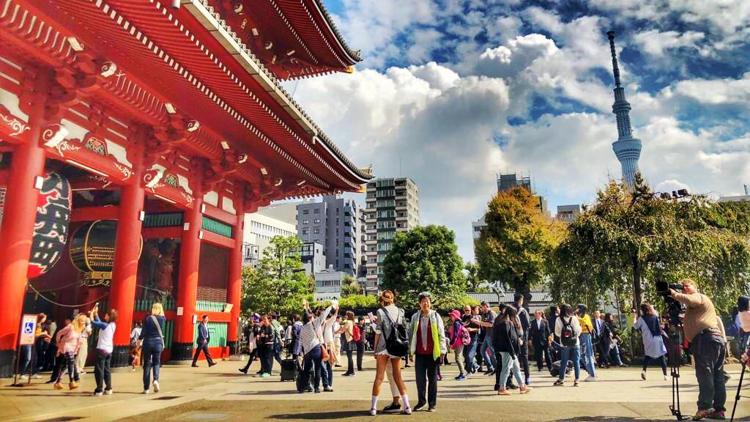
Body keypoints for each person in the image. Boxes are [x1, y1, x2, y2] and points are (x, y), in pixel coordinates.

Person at [670, 279, 727, 420]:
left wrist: (674, 294)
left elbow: (692, 300)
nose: (683, 288)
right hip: (713, 339)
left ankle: (705, 407)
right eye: (681, 287)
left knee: (705, 373)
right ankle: (718, 410)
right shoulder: (694, 306)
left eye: (686, 285)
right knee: (717, 376)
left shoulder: (698, 296)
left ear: (694, 287)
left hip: (705, 339)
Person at [369, 290, 411, 416]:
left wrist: (375, 349)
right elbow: (404, 329)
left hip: (383, 347)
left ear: (383, 300)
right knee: (398, 377)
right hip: (396, 346)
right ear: (393, 299)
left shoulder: (380, 312)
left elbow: (378, 332)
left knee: (379, 377)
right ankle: (407, 406)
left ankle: (373, 408)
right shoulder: (401, 311)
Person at [409, 292, 446, 412]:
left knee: (433, 380)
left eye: (427, 301)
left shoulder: (435, 316)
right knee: (420, 380)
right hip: (419, 354)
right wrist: (410, 351)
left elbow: (441, 334)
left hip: (433, 354)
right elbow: (411, 335)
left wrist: (442, 351)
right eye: (423, 301)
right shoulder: (415, 317)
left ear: (430, 302)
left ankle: (432, 403)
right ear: (419, 303)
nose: (426, 303)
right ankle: (421, 402)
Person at [299, 299, 335, 393]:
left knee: (306, 369)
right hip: (316, 348)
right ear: (310, 318)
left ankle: (303, 387)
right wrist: (331, 306)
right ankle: (316, 388)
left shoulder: (302, 328)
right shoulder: (314, 323)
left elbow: (301, 341)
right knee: (318, 368)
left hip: (307, 350)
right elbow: (324, 315)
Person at [494, 307, 532, 396]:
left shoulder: (503, 322)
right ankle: (502, 388)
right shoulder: (506, 323)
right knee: (506, 368)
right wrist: (513, 349)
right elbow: (508, 338)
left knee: (516, 368)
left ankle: (522, 386)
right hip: (508, 350)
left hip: (509, 349)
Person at [633, 304, 668, 381]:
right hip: (657, 338)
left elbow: (635, 326)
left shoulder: (641, 318)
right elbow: (658, 328)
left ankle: (644, 371)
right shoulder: (655, 317)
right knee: (662, 357)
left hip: (648, 340)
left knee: (647, 356)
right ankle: (665, 375)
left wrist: (634, 317)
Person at [53, 313, 87, 390]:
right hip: (66, 346)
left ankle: (58, 382)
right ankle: (72, 382)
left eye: (84, 322)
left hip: (72, 348)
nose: (83, 323)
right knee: (71, 363)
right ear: (78, 320)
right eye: (82, 321)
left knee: (66, 366)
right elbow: (59, 333)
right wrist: (58, 343)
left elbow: (78, 341)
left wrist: (77, 349)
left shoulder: (79, 329)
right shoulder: (70, 327)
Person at [89, 305, 117, 396]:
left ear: (109, 316)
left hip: (101, 350)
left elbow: (93, 322)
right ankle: (108, 388)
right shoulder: (112, 325)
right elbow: (100, 322)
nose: (105, 316)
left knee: (99, 370)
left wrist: (91, 314)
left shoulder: (105, 325)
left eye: (106, 315)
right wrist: (96, 314)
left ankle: (99, 389)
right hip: (109, 350)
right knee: (106, 370)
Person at [140, 303, 166, 394]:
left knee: (147, 364)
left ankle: (146, 388)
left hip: (147, 342)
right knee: (156, 363)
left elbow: (143, 332)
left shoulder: (147, 319)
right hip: (158, 342)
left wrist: (139, 340)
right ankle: (155, 380)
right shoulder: (163, 319)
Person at [554, 304, 582, 387]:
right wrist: (574, 336)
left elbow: (557, 332)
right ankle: (576, 380)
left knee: (564, 362)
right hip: (575, 342)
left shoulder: (558, 319)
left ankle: (561, 379)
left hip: (564, 344)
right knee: (576, 361)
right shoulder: (574, 318)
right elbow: (578, 330)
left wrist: (563, 337)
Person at [511, 294, 531, 385]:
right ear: (521, 300)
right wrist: (523, 338)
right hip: (522, 338)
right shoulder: (523, 311)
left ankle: (510, 379)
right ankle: (527, 378)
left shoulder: (510, 310)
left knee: (513, 358)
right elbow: (527, 326)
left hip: (512, 338)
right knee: (525, 357)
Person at [576, 304, 597, 381]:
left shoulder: (586, 316)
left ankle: (592, 374)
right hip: (581, 335)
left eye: (578, 308)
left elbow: (585, 323)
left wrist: (577, 318)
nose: (577, 310)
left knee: (587, 354)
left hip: (585, 335)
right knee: (583, 355)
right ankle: (591, 372)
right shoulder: (580, 316)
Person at [477, 302, 497, 375]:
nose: (481, 309)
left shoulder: (492, 313)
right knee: (482, 350)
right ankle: (490, 367)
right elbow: (484, 324)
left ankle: (496, 368)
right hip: (487, 335)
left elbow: (491, 324)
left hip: (492, 335)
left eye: (482, 307)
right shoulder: (484, 314)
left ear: (486, 306)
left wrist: (479, 322)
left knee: (492, 352)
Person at [448, 309, 467, 381]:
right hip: (458, 343)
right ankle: (461, 373)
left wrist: (451, 342)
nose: (451, 317)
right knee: (458, 358)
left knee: (458, 358)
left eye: (452, 315)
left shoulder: (456, 323)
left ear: (455, 316)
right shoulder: (457, 322)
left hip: (459, 343)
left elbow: (456, 334)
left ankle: (463, 374)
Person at [461, 305, 479, 374]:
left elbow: (478, 329)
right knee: (465, 354)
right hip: (465, 338)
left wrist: (471, 329)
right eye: (466, 310)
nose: (467, 312)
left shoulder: (473, 318)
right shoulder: (463, 317)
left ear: (471, 310)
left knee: (469, 355)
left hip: (473, 337)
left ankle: (469, 370)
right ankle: (475, 365)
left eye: (468, 310)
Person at [342, 311, 357, 376]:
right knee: (350, 357)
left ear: (348, 316)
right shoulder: (352, 322)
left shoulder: (348, 322)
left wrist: (337, 331)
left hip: (348, 340)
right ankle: (350, 371)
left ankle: (350, 371)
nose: (345, 316)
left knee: (349, 357)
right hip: (351, 340)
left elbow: (343, 329)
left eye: (346, 315)